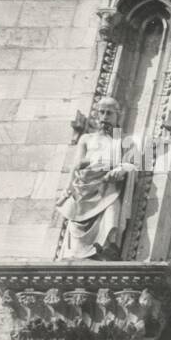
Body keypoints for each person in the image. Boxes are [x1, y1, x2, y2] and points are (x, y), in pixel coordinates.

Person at [57, 97, 134, 259]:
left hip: (108, 188)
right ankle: (76, 253)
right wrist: (69, 188)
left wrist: (121, 169)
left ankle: (105, 249)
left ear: (117, 116)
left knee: (110, 218)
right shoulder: (86, 139)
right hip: (85, 186)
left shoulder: (124, 141)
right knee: (77, 220)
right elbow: (76, 164)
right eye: (102, 112)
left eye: (109, 113)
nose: (105, 116)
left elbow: (131, 164)